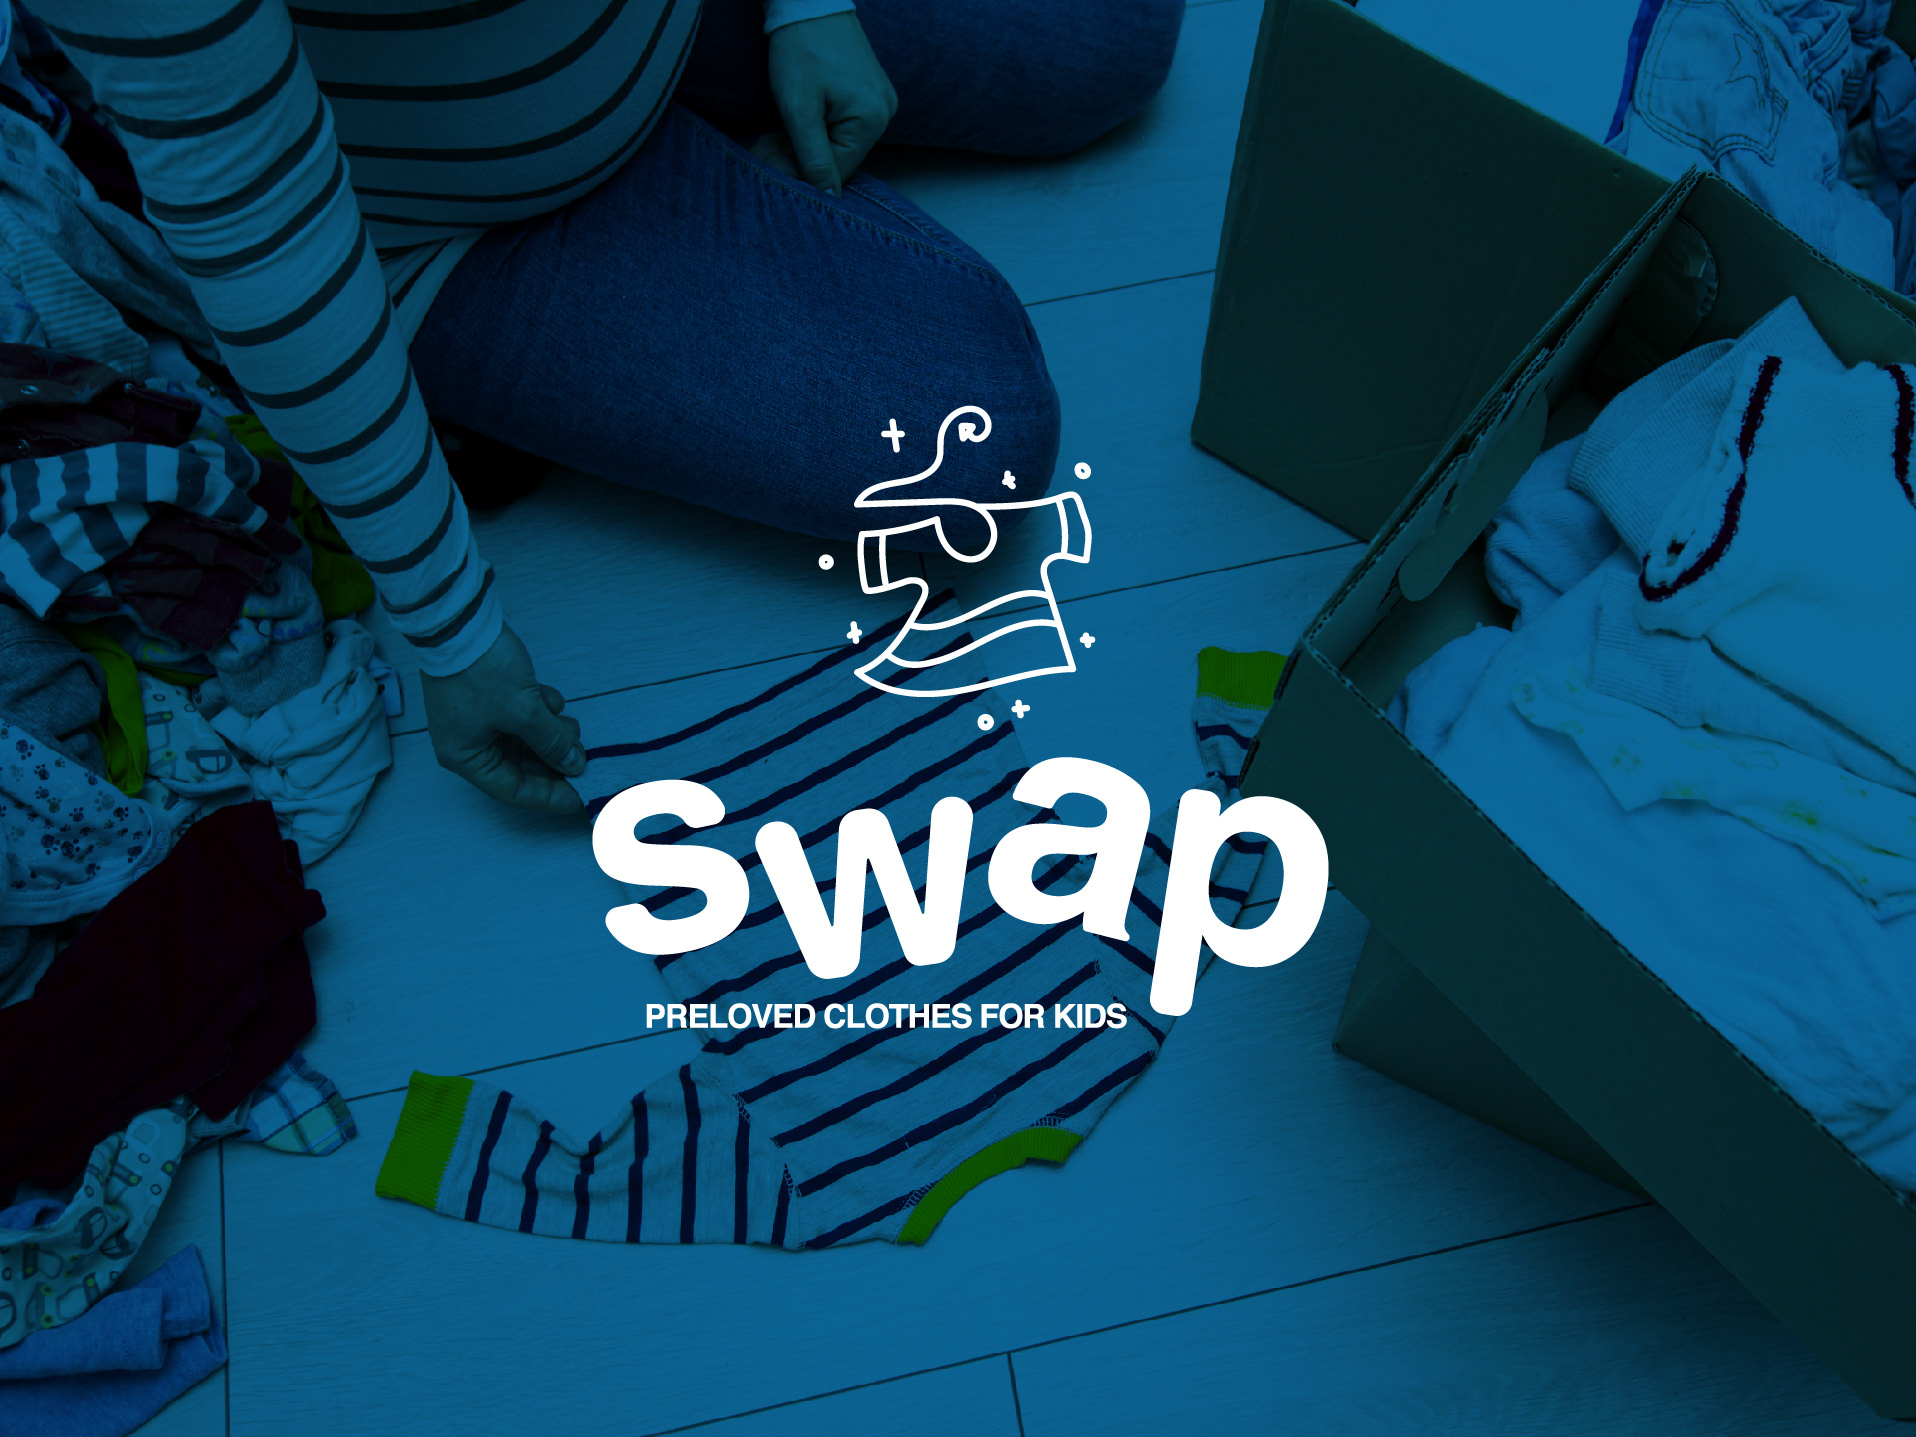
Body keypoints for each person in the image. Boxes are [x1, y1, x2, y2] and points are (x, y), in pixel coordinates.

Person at [27, 0, 1185, 814]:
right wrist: (450, 627)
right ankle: (719, 228)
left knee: (1107, 37)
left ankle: (735, 204)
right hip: (439, 216)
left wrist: (808, 8)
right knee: (966, 450)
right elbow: (263, 234)